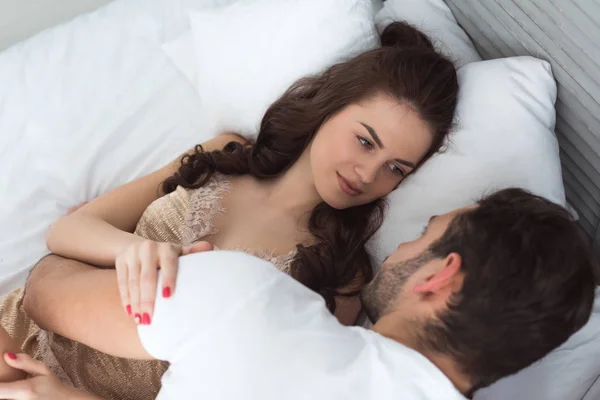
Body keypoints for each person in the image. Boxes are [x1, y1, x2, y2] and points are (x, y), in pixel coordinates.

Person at [0, 22, 459, 399]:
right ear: (332, 103)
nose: (367, 174)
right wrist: (136, 250)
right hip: (26, 331)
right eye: (364, 141)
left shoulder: (341, 274)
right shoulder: (226, 154)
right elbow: (68, 231)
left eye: (395, 168)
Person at [4, 188, 595, 400]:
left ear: (441, 277)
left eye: (423, 234)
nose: (396, 249)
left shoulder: (250, 302)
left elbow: (43, 292)